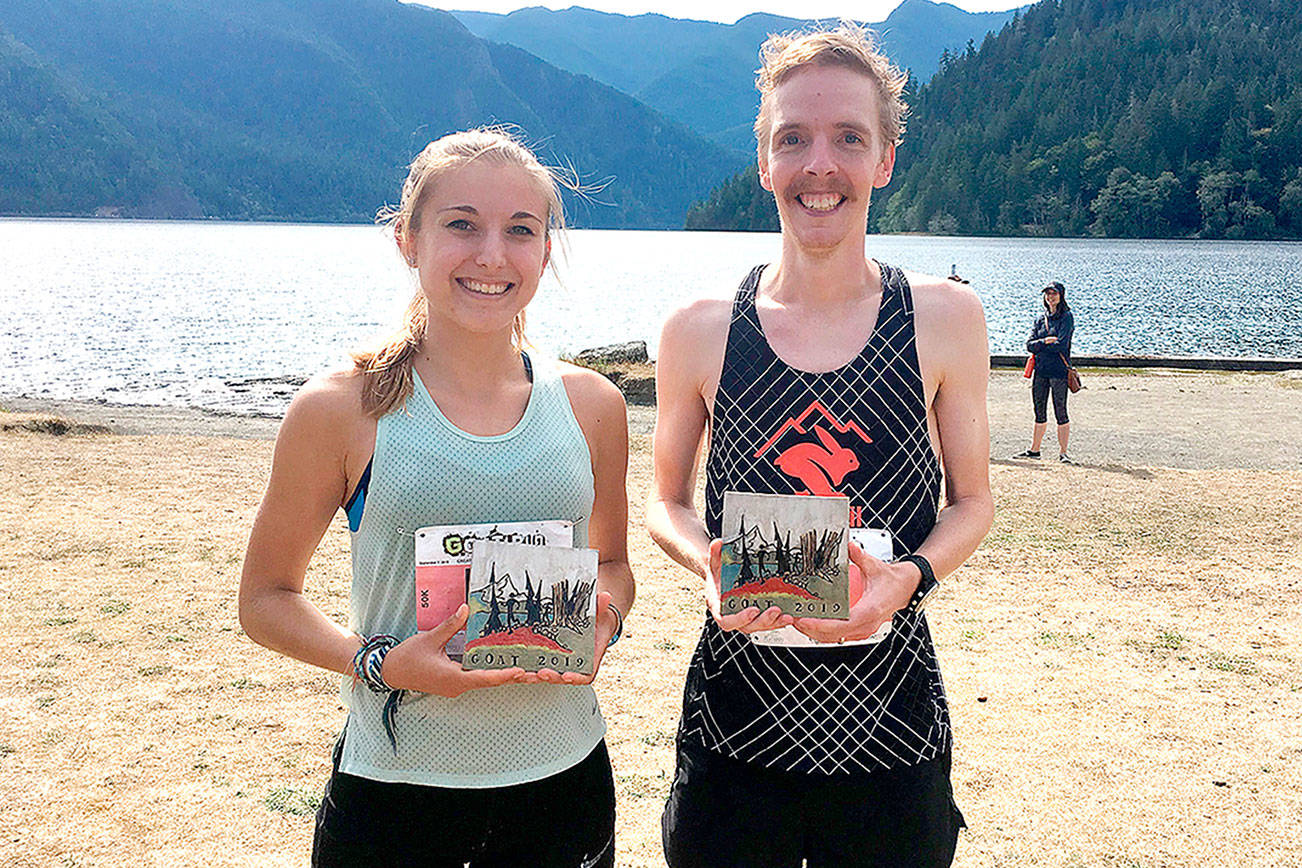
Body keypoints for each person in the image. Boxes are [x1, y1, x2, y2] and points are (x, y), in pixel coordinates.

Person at [646, 24, 993, 868]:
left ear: (885, 161)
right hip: (733, 726)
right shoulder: (699, 329)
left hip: (893, 731)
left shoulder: (945, 318)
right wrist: (710, 564)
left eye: (849, 138)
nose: (819, 165)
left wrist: (908, 579)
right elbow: (665, 502)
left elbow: (973, 504)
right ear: (764, 161)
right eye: (792, 139)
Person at [238, 128, 634, 868]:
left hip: (566, 781)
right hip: (396, 790)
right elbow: (264, 599)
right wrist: (382, 663)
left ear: (545, 252)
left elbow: (611, 562)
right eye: (462, 224)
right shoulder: (342, 409)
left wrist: (602, 619)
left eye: (521, 230)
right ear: (407, 239)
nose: (492, 254)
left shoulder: (593, 406)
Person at [1014, 281, 1076, 463]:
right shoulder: (1040, 319)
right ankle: (1035, 450)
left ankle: (1063, 453)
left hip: (1059, 371)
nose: (1050, 297)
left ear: (1061, 296)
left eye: (1054, 293)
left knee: (1060, 410)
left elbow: (1062, 345)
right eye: (1048, 294)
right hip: (1040, 371)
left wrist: (1042, 345)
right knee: (1039, 410)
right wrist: (1045, 342)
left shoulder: (1067, 317)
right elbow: (1029, 345)